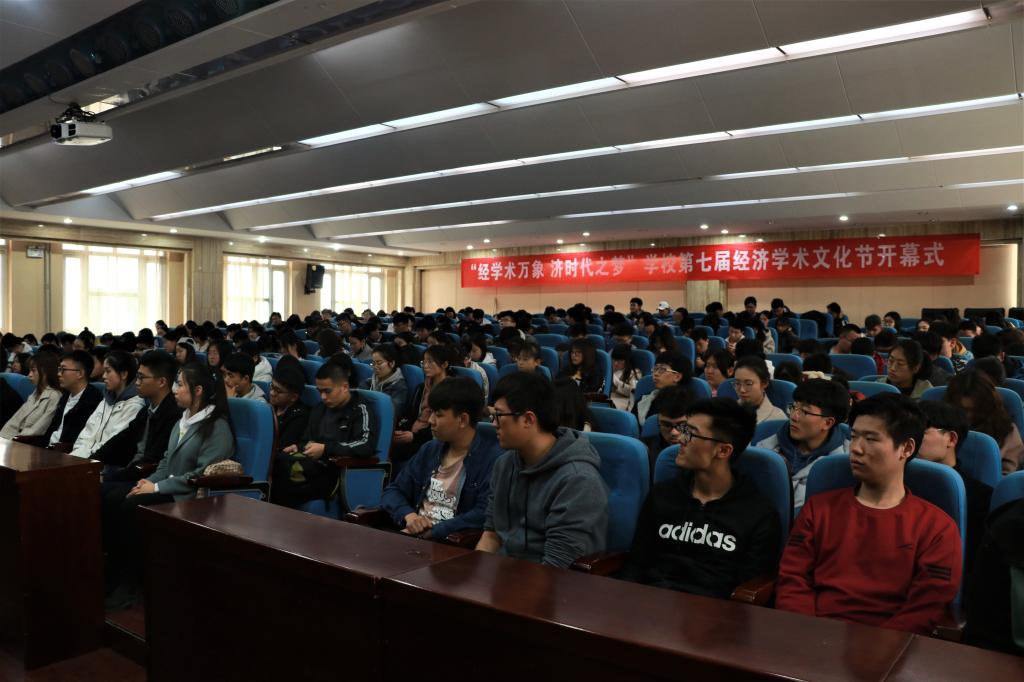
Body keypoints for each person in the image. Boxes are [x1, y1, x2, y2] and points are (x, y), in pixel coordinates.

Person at [775, 394, 962, 635]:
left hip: (890, 645)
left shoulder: (936, 527)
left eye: (871, 439)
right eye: (854, 436)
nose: (856, 448)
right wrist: (809, 634)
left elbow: (924, 608)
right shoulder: (819, 509)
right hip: (812, 636)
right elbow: (793, 579)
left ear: (906, 448)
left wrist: (873, 647)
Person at [104, 360, 235, 609]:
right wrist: (148, 481)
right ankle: (114, 574)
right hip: (170, 489)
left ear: (198, 390)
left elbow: (200, 475)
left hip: (192, 497)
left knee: (131, 506)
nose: (174, 389)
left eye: (180, 384)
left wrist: (156, 488)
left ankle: (133, 583)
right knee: (113, 498)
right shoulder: (182, 421)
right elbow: (166, 463)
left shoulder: (216, 427)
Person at [621, 398, 781, 598]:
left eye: (690, 433)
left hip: (713, 611)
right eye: (684, 429)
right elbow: (636, 563)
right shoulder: (663, 494)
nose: (680, 438)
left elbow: (749, 588)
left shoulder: (757, 513)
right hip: (652, 603)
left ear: (723, 450)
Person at [476, 372, 608, 567]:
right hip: (505, 574)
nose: (493, 423)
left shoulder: (578, 480)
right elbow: (491, 535)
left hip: (552, 579)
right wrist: (477, 574)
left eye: (499, 415)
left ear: (528, 419)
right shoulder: (504, 464)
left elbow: (557, 565)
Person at [381, 377, 501, 540]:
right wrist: (409, 516)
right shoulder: (430, 449)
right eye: (431, 413)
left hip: (451, 544)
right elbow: (393, 491)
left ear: (463, 420)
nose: (431, 421)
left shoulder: (492, 460)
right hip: (413, 538)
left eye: (438, 415)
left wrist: (434, 531)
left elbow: (482, 514)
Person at [275, 362, 375, 508]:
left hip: (334, 473)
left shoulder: (360, 409)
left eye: (327, 391)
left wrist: (325, 449)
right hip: (311, 466)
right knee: (278, 464)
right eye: (319, 391)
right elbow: (307, 439)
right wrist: (299, 447)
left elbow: (365, 444)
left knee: (281, 485)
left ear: (344, 387)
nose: (322, 396)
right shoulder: (319, 409)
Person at [916, 401, 992, 575]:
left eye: (921, 431)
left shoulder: (980, 497)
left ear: (951, 439)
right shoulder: (896, 483)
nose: (911, 439)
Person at [756, 378, 851, 512]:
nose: (794, 416)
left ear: (827, 423)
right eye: (794, 407)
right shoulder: (765, 449)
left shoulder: (845, 465)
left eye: (805, 412)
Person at [101, 351, 182, 484]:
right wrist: (93, 461)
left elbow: (153, 459)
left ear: (161, 381)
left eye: (141, 377)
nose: (136, 383)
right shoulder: (146, 411)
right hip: (130, 470)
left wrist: (112, 478)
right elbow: (122, 439)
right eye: (137, 377)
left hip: (148, 479)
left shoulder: (174, 415)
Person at [70, 350, 146, 462]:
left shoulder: (134, 406)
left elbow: (111, 445)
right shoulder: (105, 400)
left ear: (124, 374)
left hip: (101, 463)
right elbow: (86, 432)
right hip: (82, 458)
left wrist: (85, 459)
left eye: (108, 371)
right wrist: (76, 454)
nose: (104, 376)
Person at [945, 371, 1023, 474]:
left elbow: (1007, 477)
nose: (968, 416)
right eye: (962, 410)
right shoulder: (941, 427)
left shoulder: (1006, 430)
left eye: (975, 410)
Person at [44, 350, 104, 450]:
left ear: (80, 373)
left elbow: (79, 442)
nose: (58, 374)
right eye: (59, 369)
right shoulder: (65, 396)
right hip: (48, 448)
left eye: (63, 370)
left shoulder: (92, 401)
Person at [0, 352, 62, 439]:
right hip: (9, 439)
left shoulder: (54, 396)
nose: (29, 375)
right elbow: (13, 422)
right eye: (29, 371)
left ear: (46, 372)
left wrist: (11, 440)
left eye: (33, 370)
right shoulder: (35, 393)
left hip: (24, 442)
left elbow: (38, 430)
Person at [634, 350, 692, 423]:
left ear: (677, 377)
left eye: (662, 369)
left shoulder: (687, 404)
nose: (656, 374)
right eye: (655, 369)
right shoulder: (645, 399)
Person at [268, 355, 310, 451]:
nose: (272, 393)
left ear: (293, 397)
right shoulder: (269, 407)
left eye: (278, 391)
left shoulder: (299, 416)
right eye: (272, 387)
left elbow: (282, 447)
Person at [363, 343, 408, 424]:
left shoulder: (399, 387)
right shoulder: (369, 382)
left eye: (379, 363)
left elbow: (390, 411)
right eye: (373, 363)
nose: (375, 367)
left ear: (392, 363)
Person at [733, 356, 786, 423]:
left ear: (764, 383)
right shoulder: (727, 411)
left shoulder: (778, 419)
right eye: (737, 383)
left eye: (748, 384)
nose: (742, 390)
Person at [609, 344, 642, 412]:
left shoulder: (634, 373)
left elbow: (633, 392)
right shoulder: (609, 369)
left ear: (627, 360)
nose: (615, 363)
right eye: (614, 360)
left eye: (620, 360)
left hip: (622, 404)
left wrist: (616, 381)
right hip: (608, 400)